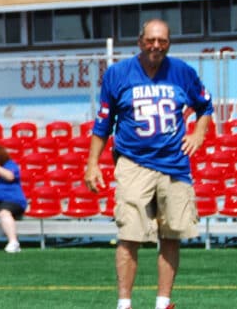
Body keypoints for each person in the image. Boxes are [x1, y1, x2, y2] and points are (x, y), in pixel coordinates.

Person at [84, 18, 213, 309]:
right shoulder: (118, 74)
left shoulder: (182, 72)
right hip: (133, 162)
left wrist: (199, 132)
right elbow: (103, 123)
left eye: (163, 41)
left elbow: (205, 105)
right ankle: (124, 304)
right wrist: (93, 164)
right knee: (129, 234)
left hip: (175, 165)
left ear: (169, 43)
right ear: (141, 41)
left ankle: (163, 302)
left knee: (171, 234)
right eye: (151, 40)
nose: (156, 46)